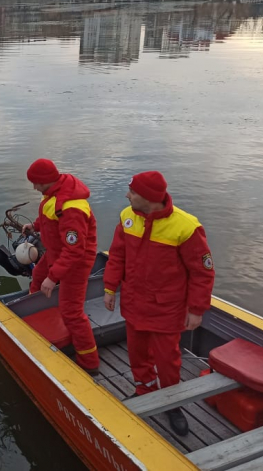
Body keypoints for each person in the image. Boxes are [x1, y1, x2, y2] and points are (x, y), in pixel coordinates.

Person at [103, 171, 215, 437]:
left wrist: (196, 310)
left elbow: (203, 272)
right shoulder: (127, 218)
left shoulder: (185, 227)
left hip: (167, 310)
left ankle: (171, 403)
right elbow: (117, 256)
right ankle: (144, 390)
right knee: (137, 354)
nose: (127, 195)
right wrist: (109, 288)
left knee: (168, 361)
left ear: (148, 198)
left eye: (131, 192)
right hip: (134, 304)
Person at [21, 159, 100, 374]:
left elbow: (75, 250)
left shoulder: (72, 207)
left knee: (72, 312)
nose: (34, 187)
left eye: (36, 183)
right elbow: (50, 216)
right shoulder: (55, 192)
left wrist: (53, 276)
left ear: (45, 181)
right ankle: (35, 318)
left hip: (76, 262)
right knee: (37, 275)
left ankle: (89, 362)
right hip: (57, 252)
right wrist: (35, 225)